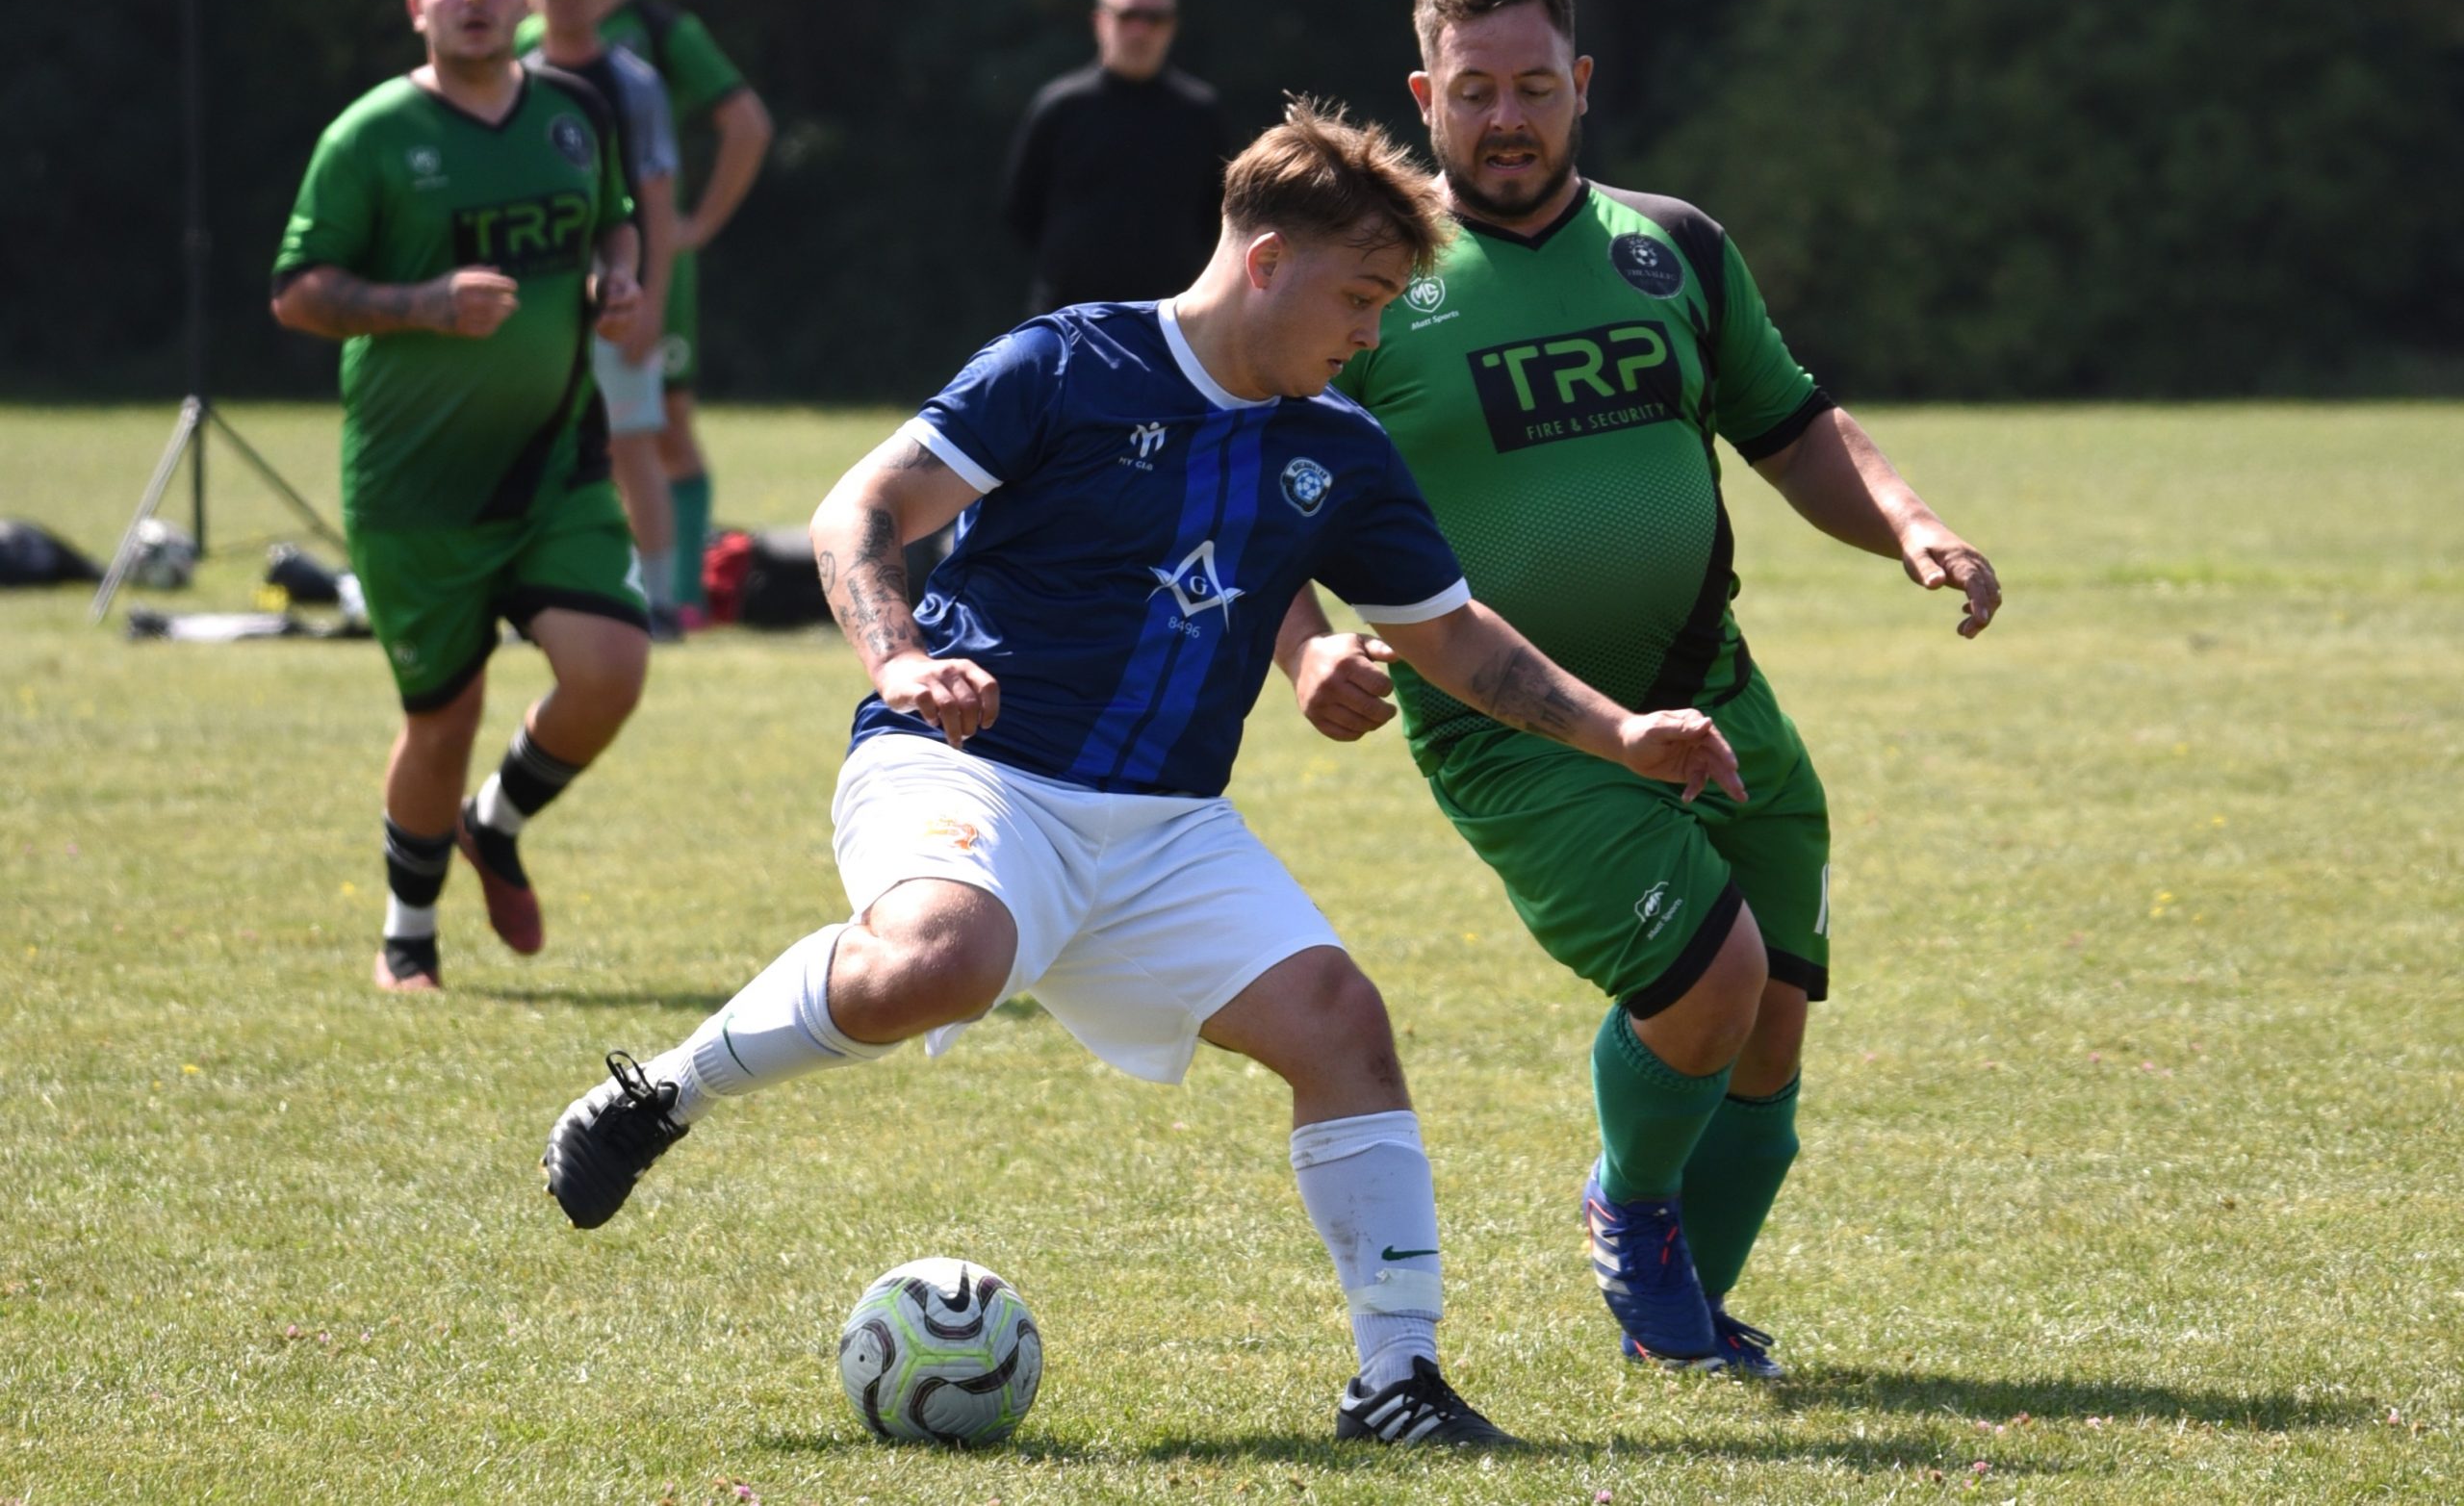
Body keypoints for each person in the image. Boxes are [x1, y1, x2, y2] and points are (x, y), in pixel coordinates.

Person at [540, 102, 1746, 1444]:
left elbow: (1451, 636)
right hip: (973, 768)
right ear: (1267, 260)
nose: (1369, 333)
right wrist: (900, 660)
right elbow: (859, 511)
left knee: (1340, 1020)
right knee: (939, 959)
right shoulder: (1067, 363)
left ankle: (1396, 1381)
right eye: (1359, 297)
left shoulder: (1337, 446)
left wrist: (1620, 733)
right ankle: (659, 1095)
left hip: (1168, 822)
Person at [1277, 0, 2004, 1377]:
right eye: (1473, 91)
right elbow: (1258, 483)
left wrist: (1913, 523)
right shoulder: (1373, 279)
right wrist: (1305, 652)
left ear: (1581, 86)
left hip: (1715, 692)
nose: (1505, 118)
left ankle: (1681, 1331)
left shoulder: (1671, 245)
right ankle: (1631, 1204)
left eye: (1533, 86)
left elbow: (1791, 425)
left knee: (1771, 1034)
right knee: (1711, 981)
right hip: (1512, 728)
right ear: (1423, 96)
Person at [270, 0, 651, 992]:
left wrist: (617, 274)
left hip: (556, 460)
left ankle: (496, 822)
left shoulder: (575, 111)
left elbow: (615, 218)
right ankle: (408, 936)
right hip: (416, 487)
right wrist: (425, 303)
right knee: (443, 721)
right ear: (416, 8)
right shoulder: (370, 136)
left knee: (611, 670)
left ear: (521, 1)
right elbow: (297, 293)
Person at [519, 0, 775, 628]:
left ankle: (678, 594)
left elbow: (746, 124)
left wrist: (698, 226)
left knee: (659, 426)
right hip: (547, 272)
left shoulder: (658, 38)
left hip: (637, 263)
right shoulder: (519, 50)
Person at [522, 0, 685, 638]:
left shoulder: (632, 83)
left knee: (632, 447)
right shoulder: (515, 80)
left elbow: (656, 198)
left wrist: (651, 298)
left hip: (618, 295)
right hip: (538, 306)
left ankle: (660, 600)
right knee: (530, 448)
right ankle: (533, 596)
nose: (567, 3)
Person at [1001, 0, 1230, 314]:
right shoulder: (1060, 107)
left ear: (1172, 26)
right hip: (1070, 318)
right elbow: (1021, 211)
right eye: (1128, 15)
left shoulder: (1201, 114)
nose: (1140, 31)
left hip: (1168, 323)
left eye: (1155, 18)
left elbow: (1219, 218)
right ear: (1100, 21)